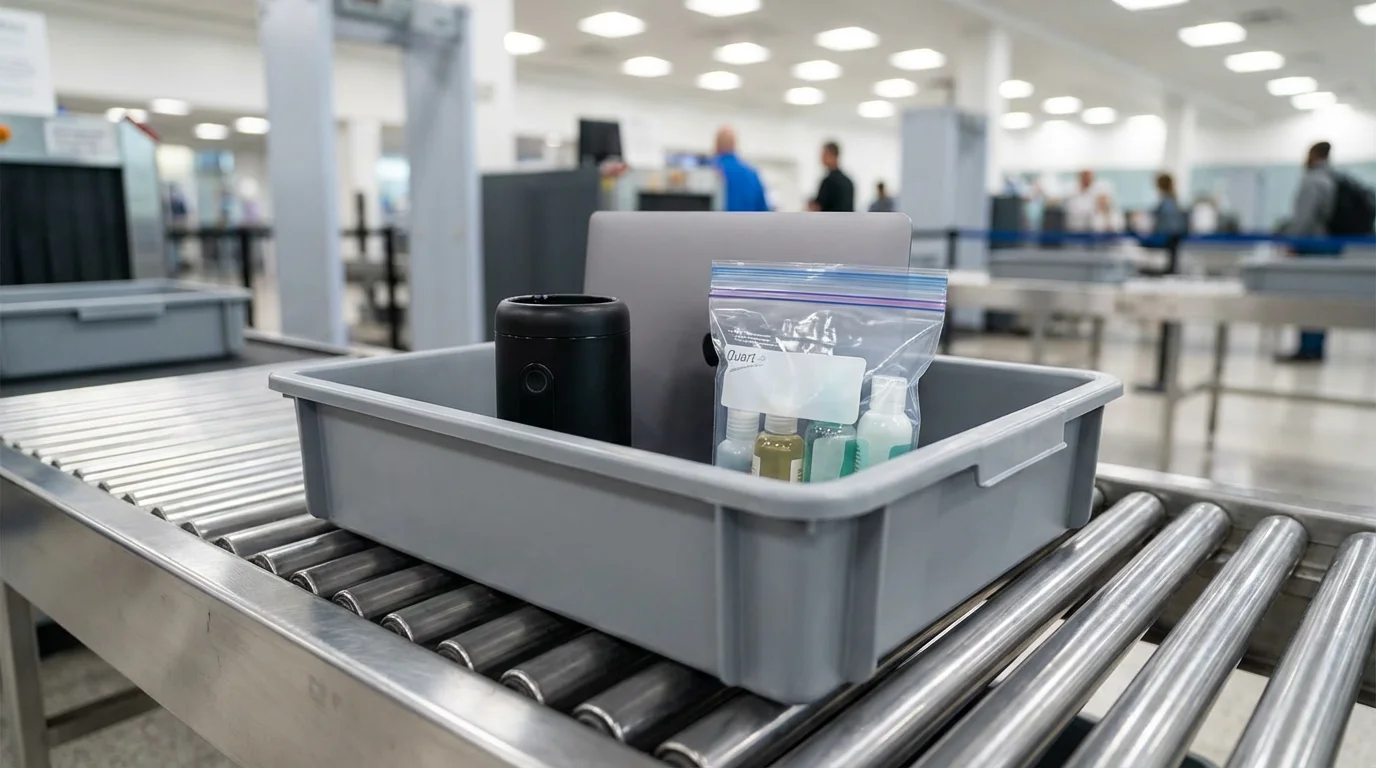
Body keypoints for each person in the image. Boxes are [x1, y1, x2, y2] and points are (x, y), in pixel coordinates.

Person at [1277, 141, 1342, 363]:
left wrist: (1291, 242)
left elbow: (1303, 217)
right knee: (1321, 300)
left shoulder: (1313, 180)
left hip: (1312, 246)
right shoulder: (1333, 179)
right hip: (1327, 246)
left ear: (1313, 154)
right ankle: (1315, 347)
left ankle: (1307, 349)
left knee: (1308, 298)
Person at [712, 127, 770, 212]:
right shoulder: (752, 174)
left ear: (716, 145)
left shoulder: (708, 169)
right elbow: (763, 211)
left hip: (713, 224)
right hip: (747, 224)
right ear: (734, 145)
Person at [809, 141, 854, 212]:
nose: (821, 159)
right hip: (846, 222)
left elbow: (819, 207)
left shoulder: (828, 182)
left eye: (823, 155)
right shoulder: (848, 182)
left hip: (829, 222)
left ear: (831, 155)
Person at [1152, 173, 1187, 238]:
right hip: (1171, 237)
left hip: (1166, 238)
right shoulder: (1173, 200)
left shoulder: (1167, 202)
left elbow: (1169, 227)